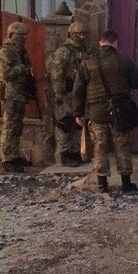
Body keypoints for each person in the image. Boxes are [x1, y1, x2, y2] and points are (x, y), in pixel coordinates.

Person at [73, 29, 138, 193]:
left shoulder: (87, 62)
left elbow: (78, 91)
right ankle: (126, 184)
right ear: (115, 43)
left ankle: (102, 185)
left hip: (96, 113)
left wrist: (78, 113)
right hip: (120, 112)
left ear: (100, 42)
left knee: (100, 148)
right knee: (123, 146)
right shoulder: (124, 60)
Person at [0, 21, 37, 172]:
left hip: (19, 94)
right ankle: (7, 159)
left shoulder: (20, 52)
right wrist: (22, 69)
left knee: (17, 126)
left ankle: (14, 155)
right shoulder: (4, 52)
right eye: (21, 36)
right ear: (13, 35)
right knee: (10, 126)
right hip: (10, 94)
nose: (24, 39)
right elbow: (4, 74)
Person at [49, 20, 89, 166]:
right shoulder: (63, 51)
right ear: (72, 34)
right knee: (63, 124)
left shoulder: (84, 50)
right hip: (65, 94)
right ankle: (64, 155)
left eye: (84, 34)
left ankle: (76, 153)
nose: (82, 37)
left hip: (79, 94)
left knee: (78, 123)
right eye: (79, 34)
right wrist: (59, 93)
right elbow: (56, 74)